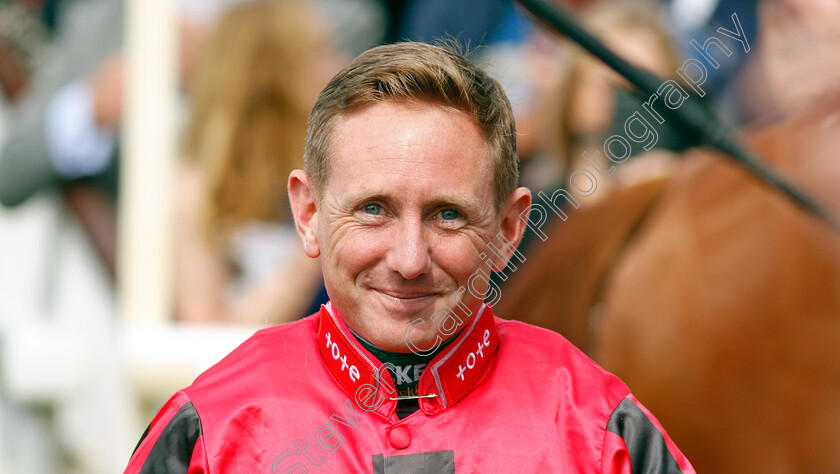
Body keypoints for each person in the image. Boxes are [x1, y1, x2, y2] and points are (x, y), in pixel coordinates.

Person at [125, 42, 695, 473]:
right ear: (308, 213)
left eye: (448, 214)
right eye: (373, 209)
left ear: (507, 229)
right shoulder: (210, 430)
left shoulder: (600, 428)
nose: (409, 258)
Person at [174, 0, 335, 325]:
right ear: (272, 74)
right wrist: (316, 238)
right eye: (320, 52)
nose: (339, 67)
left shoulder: (332, 169)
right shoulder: (195, 190)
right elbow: (209, 338)